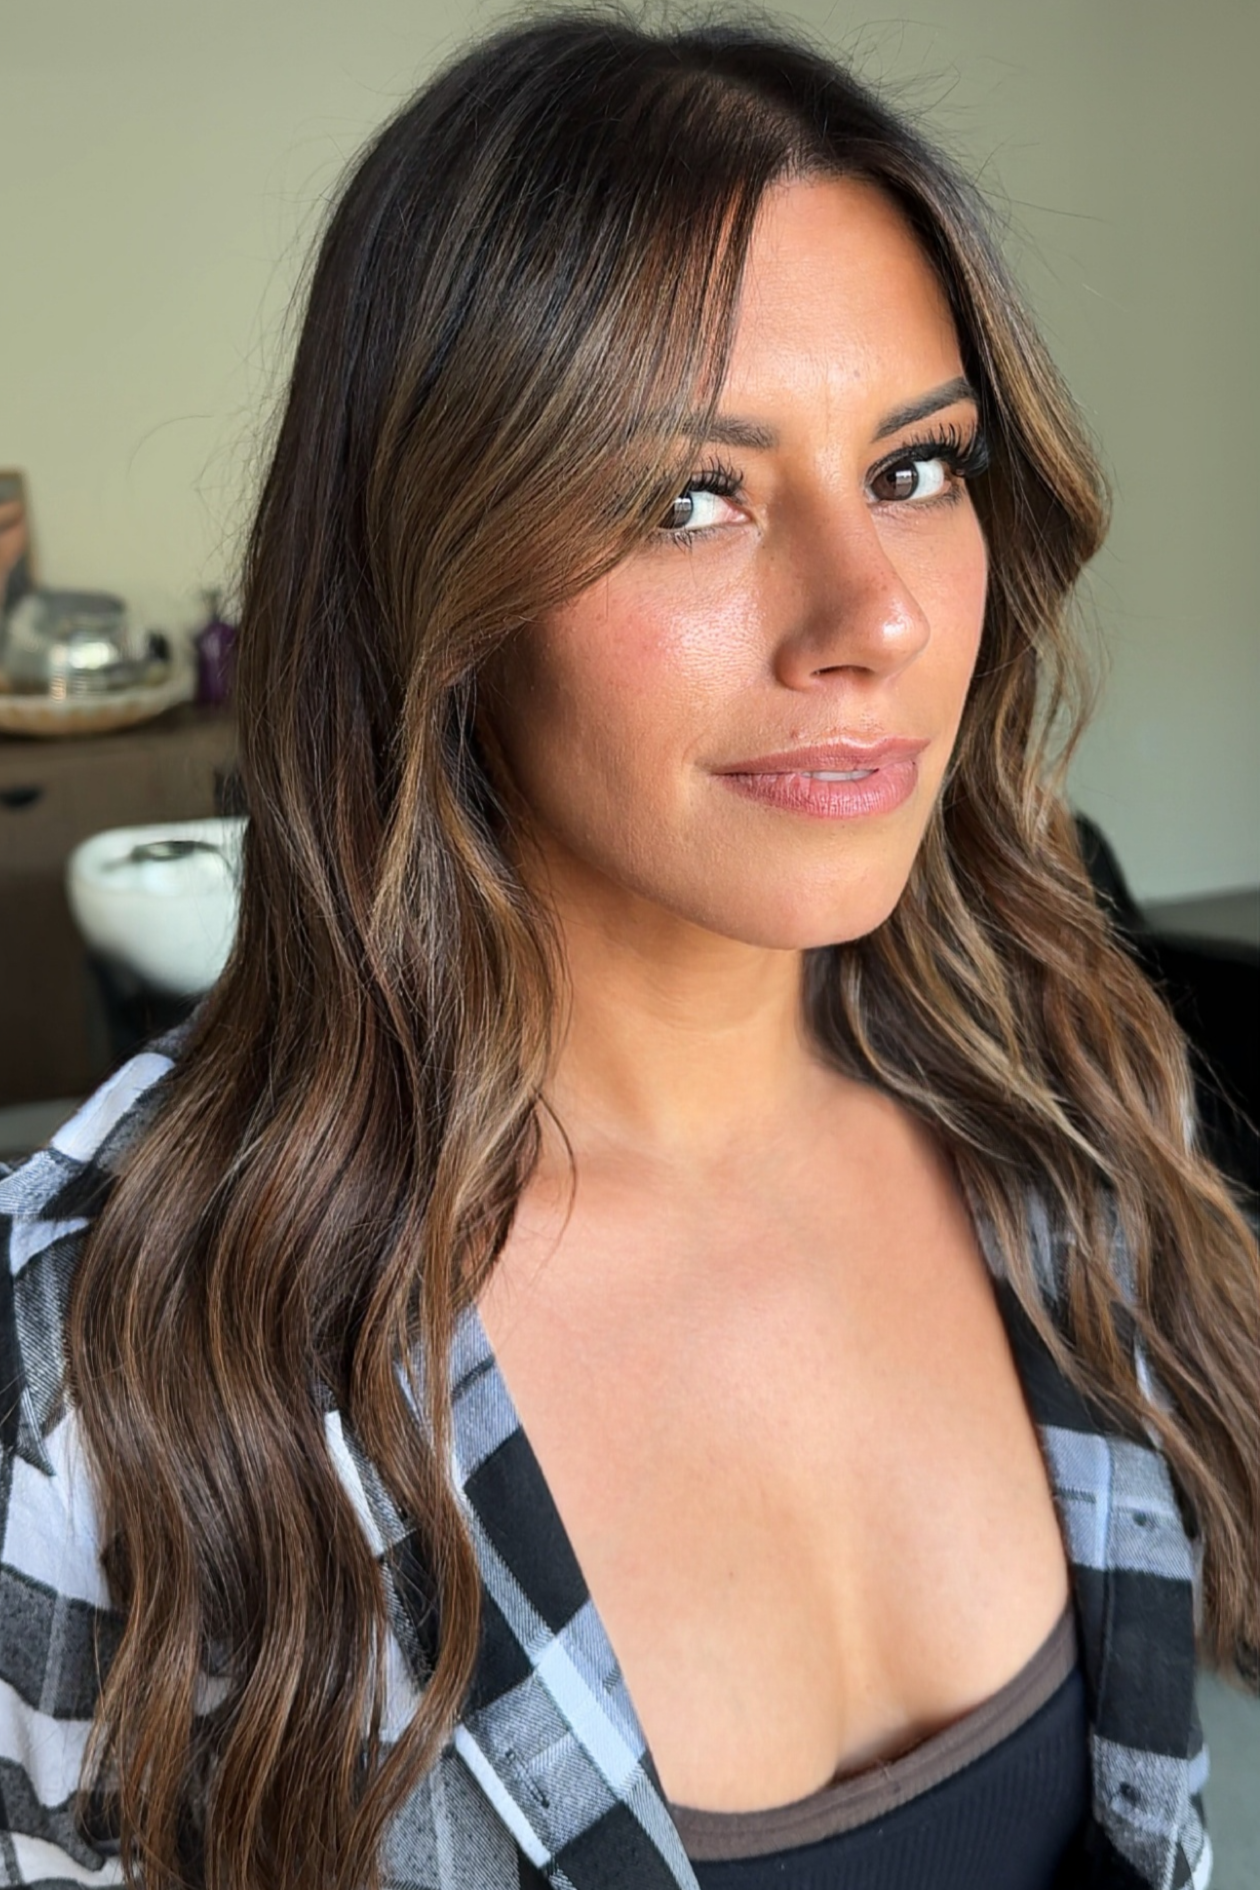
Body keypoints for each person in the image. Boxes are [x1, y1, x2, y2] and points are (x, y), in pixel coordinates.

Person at [1, 11, 1256, 1889]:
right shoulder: (110, 1378)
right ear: (436, 573)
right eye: (692, 498)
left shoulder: (1070, 1121)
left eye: (917, 467)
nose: (872, 617)